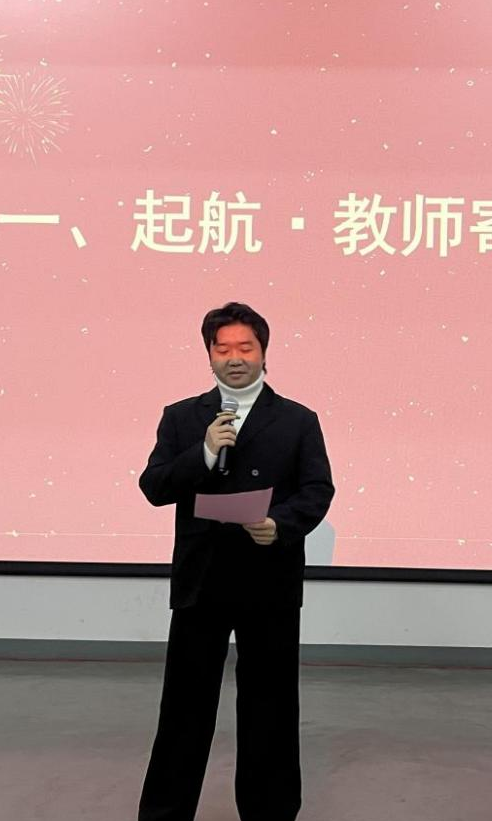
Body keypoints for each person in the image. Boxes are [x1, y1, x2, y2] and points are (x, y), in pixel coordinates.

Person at [137, 302, 335, 821]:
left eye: (245, 347)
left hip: (269, 578)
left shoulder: (297, 420)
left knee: (270, 705)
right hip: (201, 581)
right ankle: (164, 812)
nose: (234, 357)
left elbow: (318, 489)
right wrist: (203, 453)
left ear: (264, 352)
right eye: (222, 348)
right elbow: (154, 486)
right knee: (184, 707)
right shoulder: (183, 417)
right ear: (208, 355)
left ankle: (270, 811)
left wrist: (281, 524)